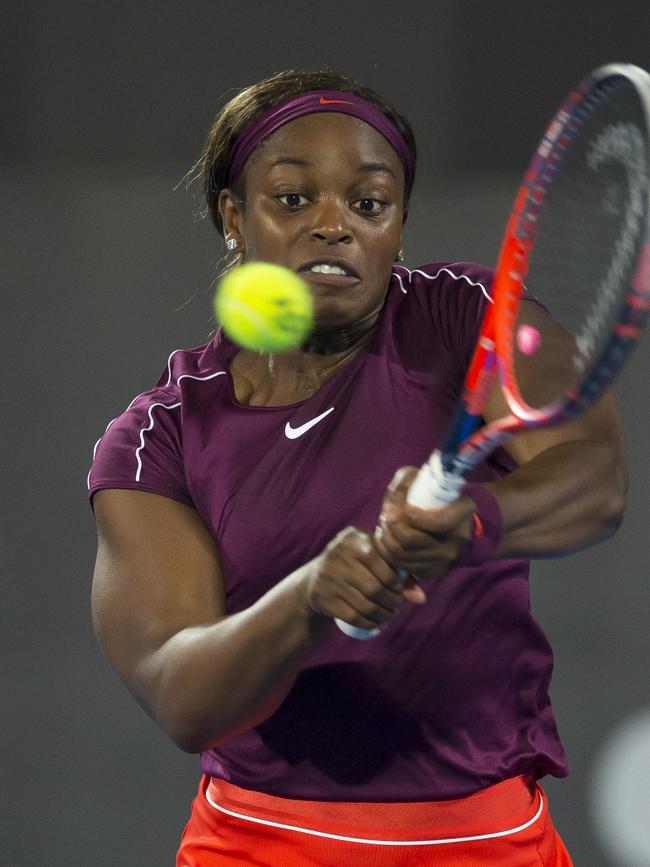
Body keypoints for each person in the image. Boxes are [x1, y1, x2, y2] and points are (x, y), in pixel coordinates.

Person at [88, 69, 627, 866]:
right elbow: (182, 694)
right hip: (262, 845)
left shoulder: (468, 318)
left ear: (397, 225)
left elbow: (596, 479)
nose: (333, 225)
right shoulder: (158, 439)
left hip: (486, 841)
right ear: (235, 218)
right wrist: (307, 600)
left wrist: (476, 521)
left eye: (368, 203)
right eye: (294, 199)